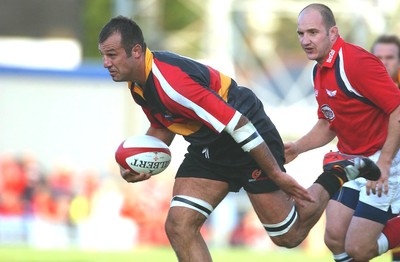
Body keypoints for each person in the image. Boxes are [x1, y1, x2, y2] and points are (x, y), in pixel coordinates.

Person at [98, 16, 380, 262]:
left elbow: (239, 124)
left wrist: (276, 175)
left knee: (288, 236)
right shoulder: (138, 84)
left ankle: (338, 172)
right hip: (210, 144)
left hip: (246, 132)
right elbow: (163, 125)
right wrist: (142, 163)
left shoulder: (171, 83)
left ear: (136, 51)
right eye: (103, 55)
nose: (106, 63)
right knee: (179, 225)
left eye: (112, 55)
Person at [285, 3, 400, 262]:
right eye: (301, 34)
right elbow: (328, 123)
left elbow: (398, 109)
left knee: (359, 248)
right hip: (353, 160)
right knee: (334, 238)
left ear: (333, 33)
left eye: (313, 32)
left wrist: (383, 163)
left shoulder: (356, 63)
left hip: (384, 158)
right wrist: (297, 147)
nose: (305, 40)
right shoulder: (319, 69)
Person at [371, 34, 400, 262]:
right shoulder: (362, 92)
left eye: (389, 57)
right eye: (378, 57)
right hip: (379, 180)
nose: (384, 62)